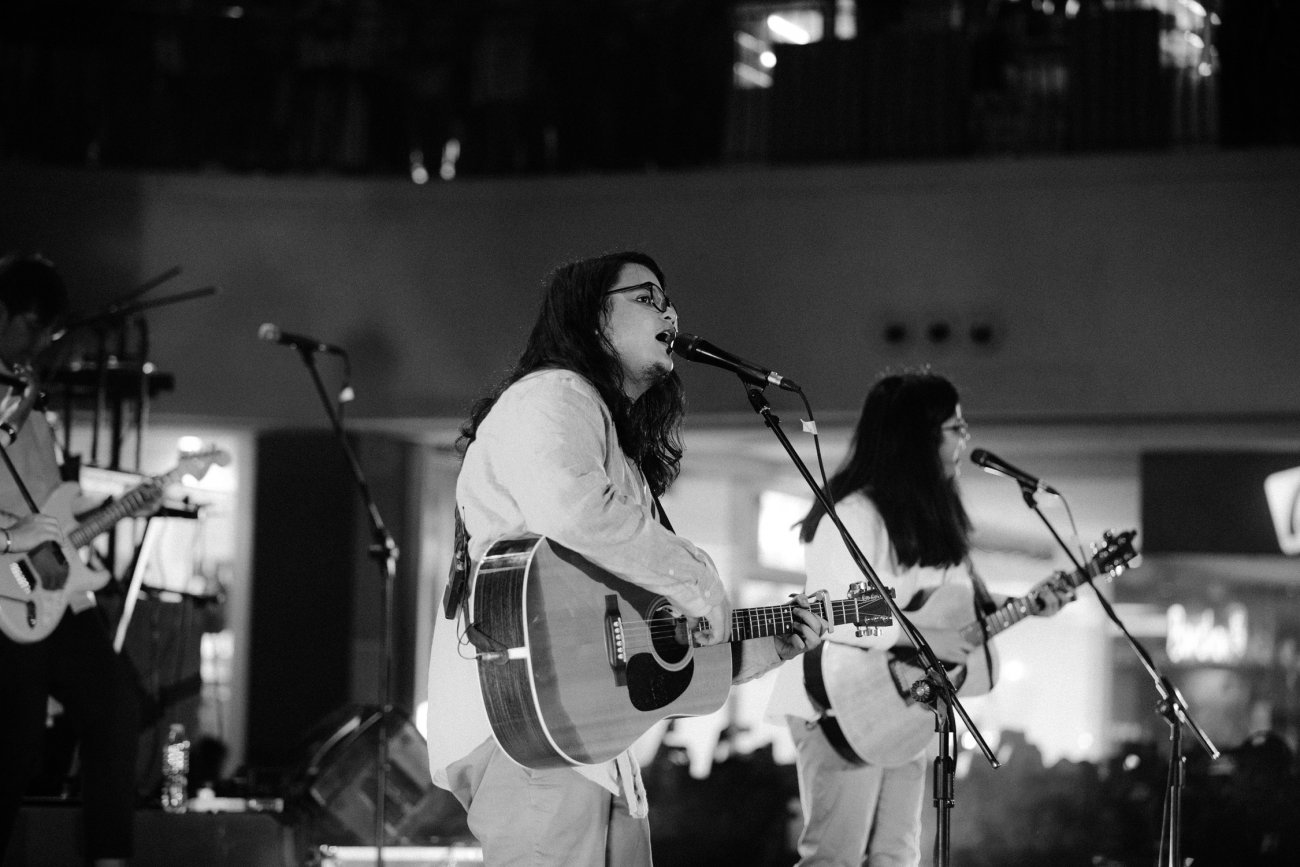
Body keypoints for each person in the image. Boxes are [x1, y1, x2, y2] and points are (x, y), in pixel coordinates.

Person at [425, 250, 829, 866]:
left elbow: (654, 643)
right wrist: (699, 580)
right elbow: (573, 510)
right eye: (646, 298)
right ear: (591, 319)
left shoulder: (616, 452)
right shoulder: (550, 394)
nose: (669, 314)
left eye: (669, 303)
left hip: (588, 740)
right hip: (531, 733)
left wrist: (769, 646)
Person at [765, 370, 1071, 867]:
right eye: (955, 427)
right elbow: (840, 612)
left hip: (908, 706)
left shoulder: (929, 517)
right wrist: (928, 637)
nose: (965, 437)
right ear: (917, 438)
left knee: (897, 856)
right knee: (835, 858)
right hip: (839, 701)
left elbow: (953, 606)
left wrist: (1027, 604)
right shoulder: (853, 515)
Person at [0, 253, 142, 867]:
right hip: (6, 593)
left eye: (48, 334)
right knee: (15, 745)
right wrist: (15, 541)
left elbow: (48, 510)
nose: (38, 345)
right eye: (31, 327)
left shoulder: (32, 406)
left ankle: (111, 859)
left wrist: (120, 508)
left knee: (117, 707)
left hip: (57, 594)